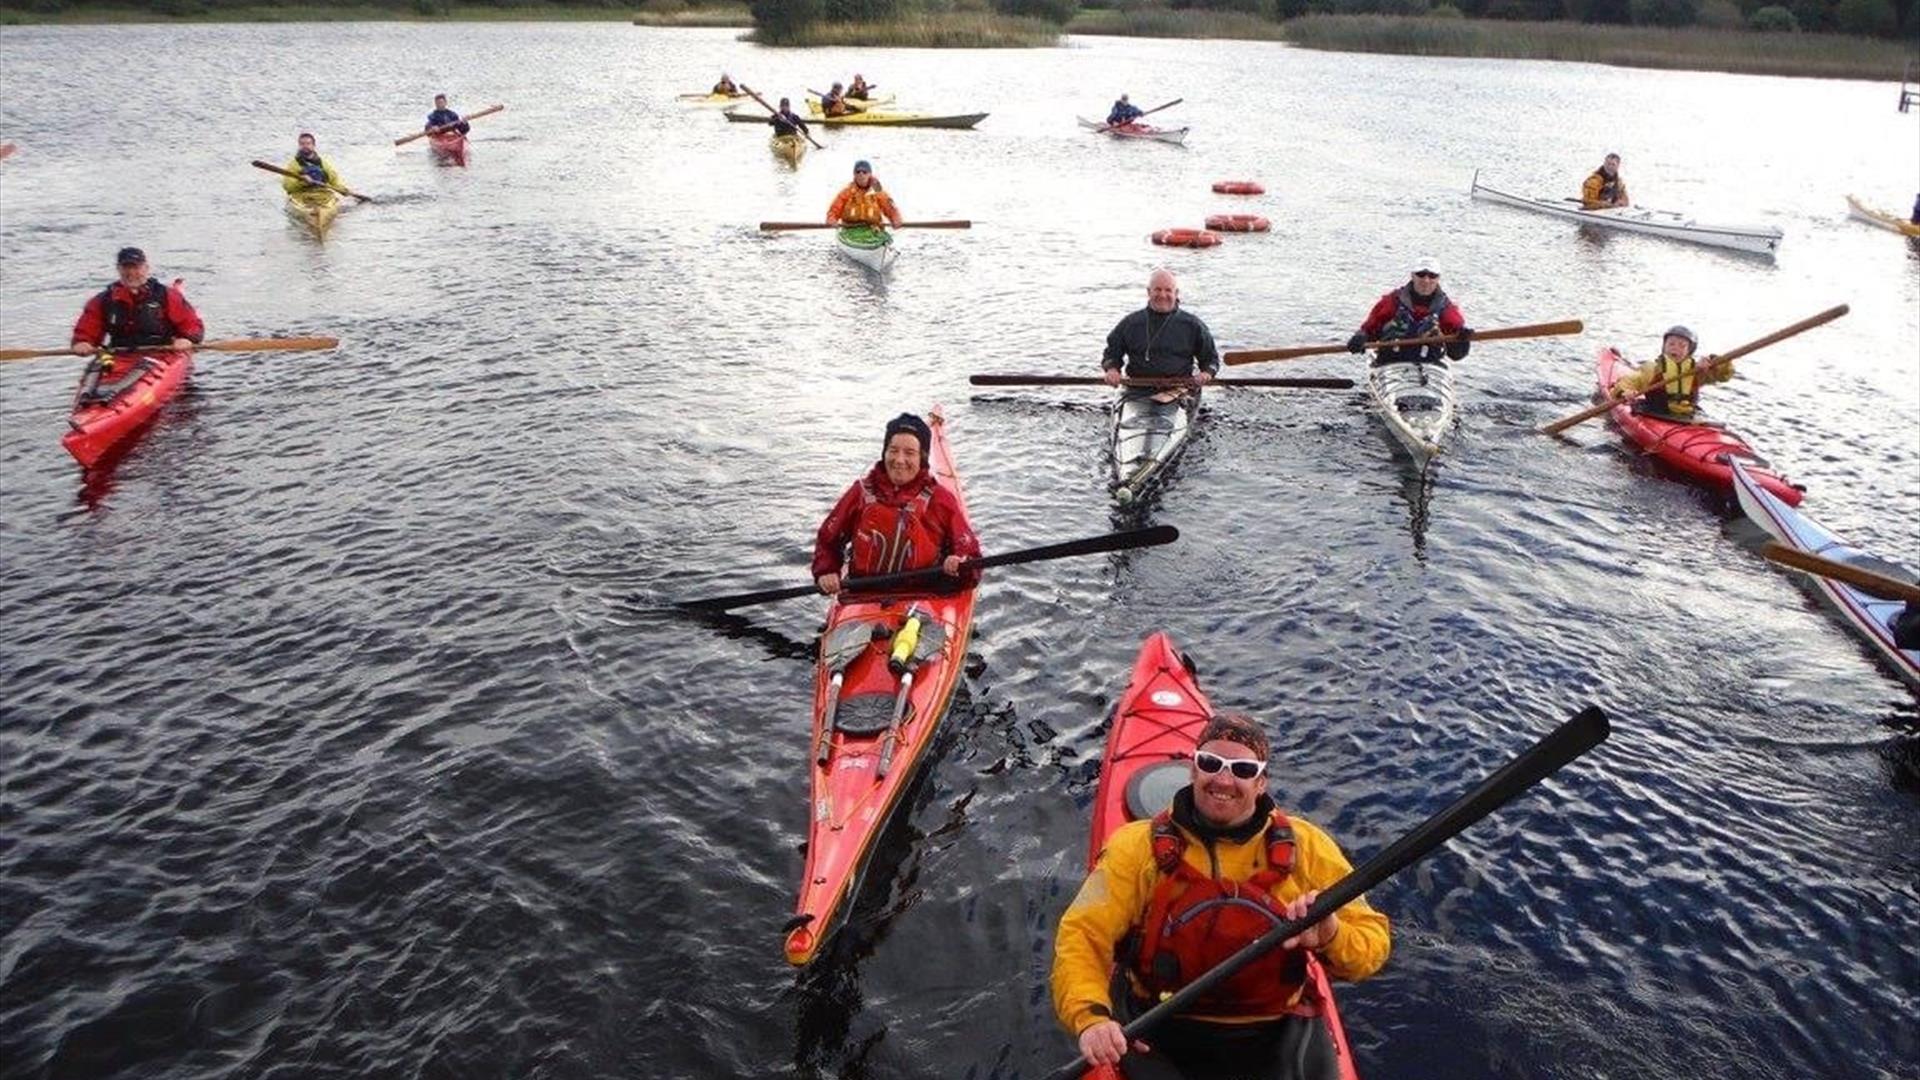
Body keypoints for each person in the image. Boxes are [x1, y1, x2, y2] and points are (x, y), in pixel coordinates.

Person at [1052, 712, 1391, 1079]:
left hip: (1273, 1032)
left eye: (1243, 769)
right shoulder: (1134, 849)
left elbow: (1371, 946)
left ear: (1261, 782)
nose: (1224, 780)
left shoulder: (1309, 848)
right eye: (1211, 764)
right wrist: (1091, 1017)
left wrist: (1331, 935)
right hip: (1158, 1025)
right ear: (1193, 770)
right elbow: (1081, 937)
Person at [812, 413, 981, 595]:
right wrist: (827, 570)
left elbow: (970, 555)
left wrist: (960, 562)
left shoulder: (941, 499)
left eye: (909, 453)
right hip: (863, 594)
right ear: (884, 452)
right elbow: (827, 540)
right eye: (893, 450)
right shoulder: (860, 492)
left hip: (923, 594)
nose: (899, 460)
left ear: (922, 458)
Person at [69, 247, 204, 358]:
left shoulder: (167, 295)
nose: (131, 273)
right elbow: (87, 327)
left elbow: (192, 324)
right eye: (126, 268)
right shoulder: (103, 300)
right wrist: (83, 342)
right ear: (118, 269)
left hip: (161, 352)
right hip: (118, 354)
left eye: (136, 267)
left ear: (146, 268)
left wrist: (187, 339)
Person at [1102, 269, 1217, 388]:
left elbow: (1211, 360)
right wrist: (1112, 370)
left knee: (1172, 407)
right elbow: (1111, 354)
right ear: (1148, 292)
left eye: (1168, 290)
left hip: (1180, 389)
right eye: (1157, 289)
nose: (1162, 295)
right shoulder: (1130, 323)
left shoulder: (1193, 325)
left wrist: (1206, 373)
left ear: (1176, 293)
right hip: (1136, 389)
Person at [1346, 261, 1470, 366]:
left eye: (1432, 276)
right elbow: (1369, 330)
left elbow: (1457, 355)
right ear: (1412, 276)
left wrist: (1463, 340)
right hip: (1390, 362)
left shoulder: (1447, 309)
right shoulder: (1391, 301)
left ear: (1438, 278)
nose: (1426, 280)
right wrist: (1361, 337)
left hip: (1429, 364)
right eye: (1421, 274)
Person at [1608, 325, 1731, 421]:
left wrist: (1714, 362)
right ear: (1664, 346)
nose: (1675, 348)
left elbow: (1723, 375)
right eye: (1671, 343)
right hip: (1655, 414)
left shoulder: (1697, 371)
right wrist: (1625, 392)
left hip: (1686, 416)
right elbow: (1628, 382)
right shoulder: (1651, 369)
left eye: (1682, 346)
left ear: (1689, 351)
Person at [826, 160, 903, 228]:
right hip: (849, 228)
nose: (861, 174)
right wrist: (832, 219)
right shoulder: (847, 191)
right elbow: (834, 209)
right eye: (858, 172)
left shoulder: (878, 190)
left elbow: (890, 207)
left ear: (870, 174)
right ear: (854, 174)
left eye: (864, 172)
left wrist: (896, 219)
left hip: (873, 228)